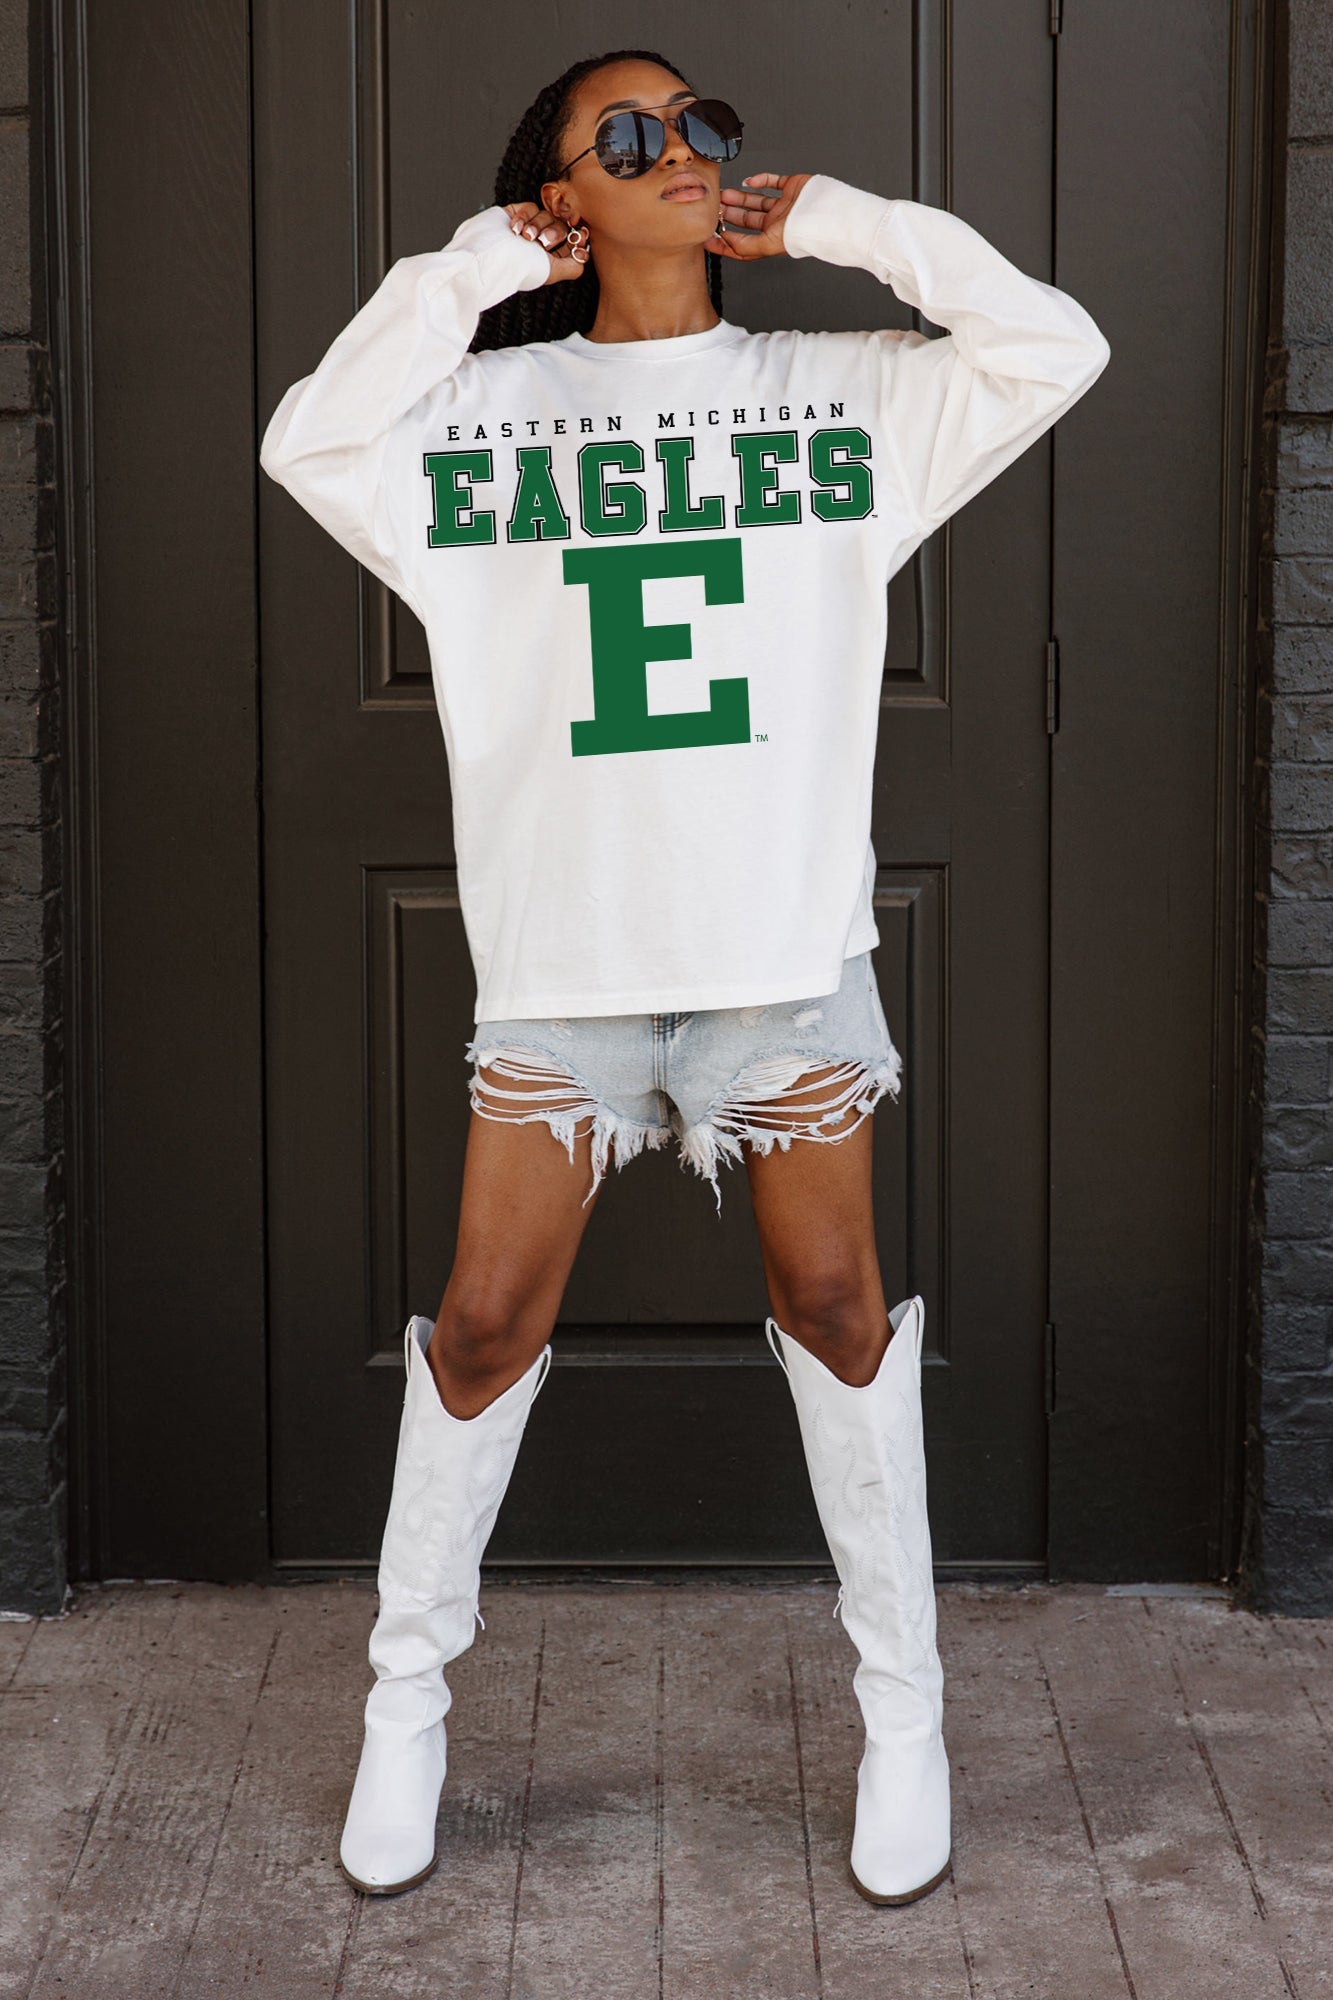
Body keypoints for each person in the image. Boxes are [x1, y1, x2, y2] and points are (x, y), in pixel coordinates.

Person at [260, 46, 1110, 1907]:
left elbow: (1052, 347)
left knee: (837, 1306)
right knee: (484, 1324)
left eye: (699, 125)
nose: (679, 152)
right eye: (626, 136)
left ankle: (903, 1713)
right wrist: (476, 268)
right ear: (559, 195)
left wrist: (848, 224)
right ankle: (406, 1704)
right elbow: (307, 439)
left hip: (776, 956)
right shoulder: (476, 415)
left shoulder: (833, 393)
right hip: (563, 960)